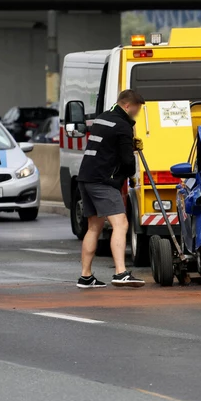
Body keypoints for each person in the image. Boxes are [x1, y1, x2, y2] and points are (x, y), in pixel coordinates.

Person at [77, 90, 147, 288]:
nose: (137, 112)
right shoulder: (123, 125)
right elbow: (126, 160)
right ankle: (120, 272)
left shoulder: (102, 118)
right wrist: (130, 176)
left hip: (86, 176)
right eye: (137, 108)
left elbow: (107, 146)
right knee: (121, 223)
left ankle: (86, 276)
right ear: (127, 106)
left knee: (94, 227)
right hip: (103, 180)